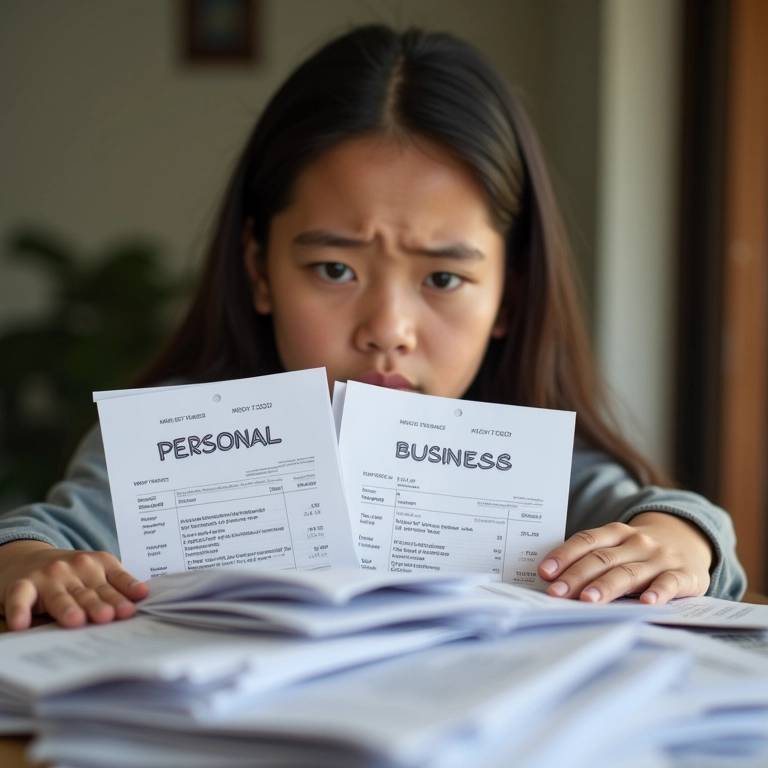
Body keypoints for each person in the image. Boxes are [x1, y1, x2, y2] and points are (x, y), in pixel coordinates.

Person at [0, 25, 746, 631]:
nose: (388, 330)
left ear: (510, 298)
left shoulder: (534, 470)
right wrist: (24, 560)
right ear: (260, 269)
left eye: (444, 279)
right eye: (334, 270)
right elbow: (36, 539)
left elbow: (669, 521)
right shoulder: (175, 445)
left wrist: (682, 541)